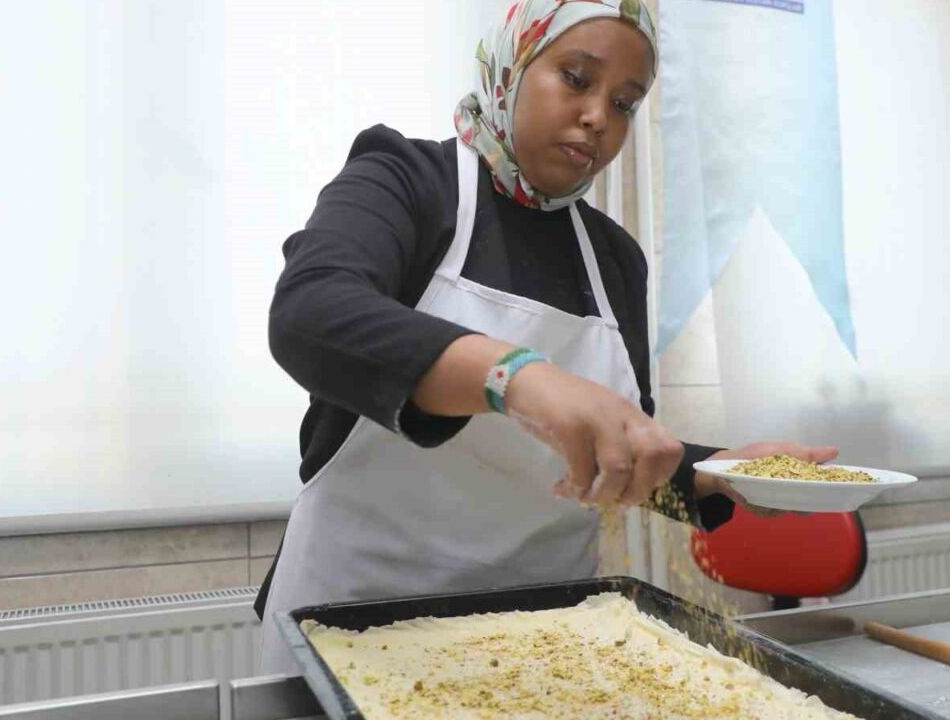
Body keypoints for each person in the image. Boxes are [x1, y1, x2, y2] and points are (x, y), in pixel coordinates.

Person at [255, 0, 837, 673]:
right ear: (516, 62)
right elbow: (311, 311)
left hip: (544, 639)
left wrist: (721, 474)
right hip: (354, 628)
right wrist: (518, 378)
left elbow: (613, 452)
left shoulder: (614, 260)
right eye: (577, 78)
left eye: (624, 102)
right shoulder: (407, 179)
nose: (598, 117)